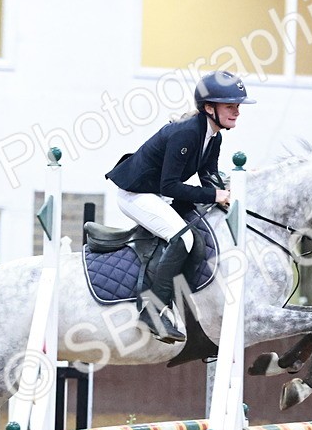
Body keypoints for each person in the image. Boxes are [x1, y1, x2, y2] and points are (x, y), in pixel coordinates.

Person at [105, 70, 255, 342]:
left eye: (238, 106)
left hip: (157, 194)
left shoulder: (214, 136)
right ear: (209, 108)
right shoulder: (186, 134)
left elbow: (209, 176)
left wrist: (232, 190)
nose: (237, 112)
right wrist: (215, 195)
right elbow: (169, 187)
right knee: (183, 238)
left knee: (197, 232)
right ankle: (152, 312)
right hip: (136, 194)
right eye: (230, 106)